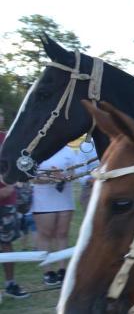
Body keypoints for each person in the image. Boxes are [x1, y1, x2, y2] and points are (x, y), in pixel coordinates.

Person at [32, 145, 77, 286]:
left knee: (62, 233)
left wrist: (64, 177)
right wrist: (50, 177)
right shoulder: (37, 150)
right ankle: (48, 271)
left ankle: (62, 269)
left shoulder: (68, 151)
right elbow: (31, 177)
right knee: (46, 234)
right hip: (43, 198)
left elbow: (74, 173)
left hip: (64, 197)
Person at [0, 114, 30, 299]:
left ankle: (10, 285)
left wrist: (10, 186)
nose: (0, 117)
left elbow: (19, 164)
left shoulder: (9, 140)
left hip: (6, 202)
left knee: (6, 243)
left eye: (1, 114)